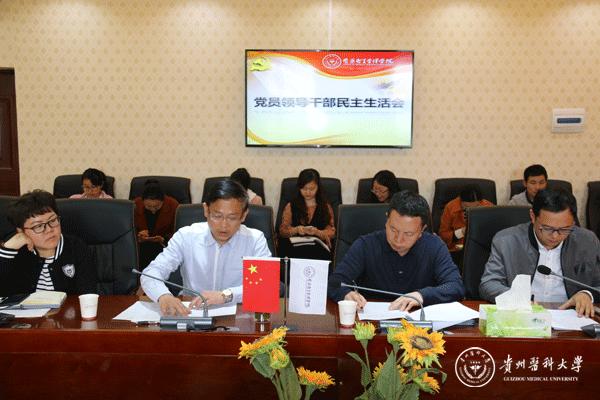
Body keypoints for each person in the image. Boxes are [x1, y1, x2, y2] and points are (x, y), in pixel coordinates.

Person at [140, 179, 271, 316]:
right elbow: (150, 273)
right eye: (217, 216)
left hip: (237, 316)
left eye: (232, 218)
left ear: (244, 215)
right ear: (206, 210)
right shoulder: (186, 236)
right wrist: (163, 295)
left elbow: (267, 285)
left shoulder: (255, 240)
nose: (224, 225)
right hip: (192, 312)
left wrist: (226, 295)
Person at [328, 191, 465, 311]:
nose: (398, 240)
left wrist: (421, 295)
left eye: (408, 234)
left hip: (418, 325)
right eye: (393, 229)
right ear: (387, 219)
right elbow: (335, 282)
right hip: (371, 324)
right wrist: (346, 294)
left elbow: (455, 286)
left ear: (422, 230)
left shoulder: (434, 246)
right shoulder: (365, 245)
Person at [480, 188, 600, 317]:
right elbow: (488, 284)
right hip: (522, 315)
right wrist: (517, 300)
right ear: (533, 216)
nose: (555, 236)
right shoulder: (506, 241)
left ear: (573, 222)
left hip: (573, 316)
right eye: (547, 228)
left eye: (564, 229)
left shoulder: (587, 241)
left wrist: (587, 294)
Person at [0, 190, 97, 296]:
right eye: (38, 226)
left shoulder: (77, 248)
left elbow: (87, 294)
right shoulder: (17, 251)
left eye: (52, 220)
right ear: (21, 231)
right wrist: (7, 250)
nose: (49, 230)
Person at [278, 168, 336, 260]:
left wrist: (317, 232)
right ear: (299, 187)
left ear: (318, 187)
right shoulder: (291, 205)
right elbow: (283, 231)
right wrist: (297, 230)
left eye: (312, 189)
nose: (308, 192)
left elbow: (332, 232)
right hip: (295, 250)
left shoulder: (325, 206)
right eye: (304, 188)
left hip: (318, 250)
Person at [134, 179, 179, 268]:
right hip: (141, 248)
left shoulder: (173, 205)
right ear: (143, 201)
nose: (153, 210)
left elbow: (178, 231)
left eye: (157, 206)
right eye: (148, 206)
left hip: (164, 248)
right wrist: (138, 236)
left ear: (163, 201)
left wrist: (164, 239)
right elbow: (128, 229)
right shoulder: (135, 205)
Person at [439, 185, 493, 252]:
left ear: (480, 202)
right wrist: (461, 232)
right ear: (460, 201)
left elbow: (495, 232)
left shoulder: (489, 207)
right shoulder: (450, 207)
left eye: (475, 207)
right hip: (457, 250)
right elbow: (443, 236)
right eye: (466, 207)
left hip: (481, 248)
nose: (470, 210)